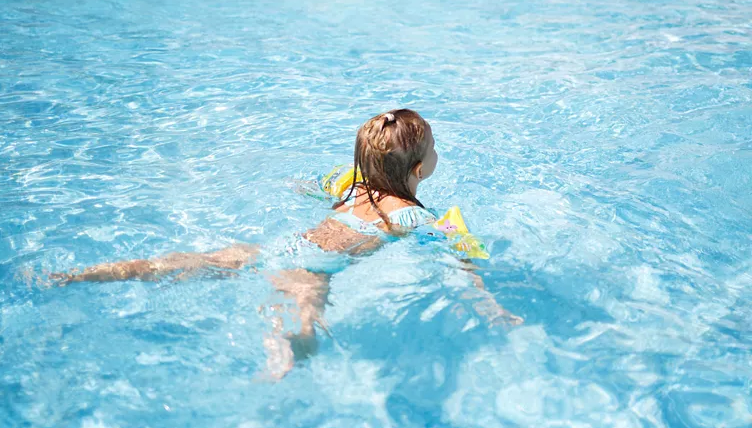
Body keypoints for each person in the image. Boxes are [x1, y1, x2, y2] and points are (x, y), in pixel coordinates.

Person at [51, 109, 522, 377]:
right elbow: (458, 259)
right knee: (307, 312)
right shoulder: (412, 216)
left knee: (183, 263)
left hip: (282, 248)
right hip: (312, 269)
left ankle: (81, 275)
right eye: (434, 149)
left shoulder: (349, 187)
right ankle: (294, 346)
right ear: (420, 170)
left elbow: (305, 186)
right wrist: (489, 304)